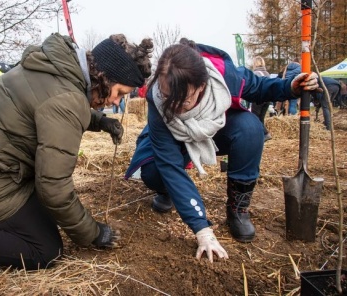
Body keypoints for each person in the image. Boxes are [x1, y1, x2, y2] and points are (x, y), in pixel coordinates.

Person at [0, 33, 153, 284]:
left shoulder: (55, 68)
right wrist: (93, 233)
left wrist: (100, 121)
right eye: (120, 93)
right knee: (44, 249)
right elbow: (53, 187)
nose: (115, 102)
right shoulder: (67, 97)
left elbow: (44, 104)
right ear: (105, 77)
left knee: (47, 219)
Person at [124, 38, 319, 262]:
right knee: (153, 171)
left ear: (202, 86)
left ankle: (238, 208)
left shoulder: (223, 76)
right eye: (168, 98)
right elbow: (169, 164)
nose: (174, 108)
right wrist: (202, 229)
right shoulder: (157, 100)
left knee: (250, 128)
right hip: (174, 137)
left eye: (184, 101)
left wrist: (290, 87)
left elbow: (259, 87)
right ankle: (168, 191)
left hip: (213, 130)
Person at [250, 56, 273, 141]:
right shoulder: (267, 73)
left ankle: (264, 133)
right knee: (261, 117)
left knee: (255, 117)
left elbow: (253, 86)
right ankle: (263, 134)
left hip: (258, 97)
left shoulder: (255, 73)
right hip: (267, 98)